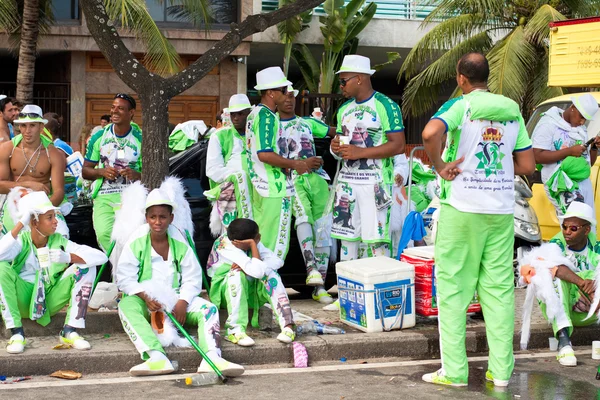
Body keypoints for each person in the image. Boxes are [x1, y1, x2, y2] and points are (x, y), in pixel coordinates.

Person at [420, 53, 535, 387]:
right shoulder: (511, 109)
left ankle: (454, 371)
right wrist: (498, 168)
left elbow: (429, 134)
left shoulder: (461, 106)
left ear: (461, 78)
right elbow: (526, 166)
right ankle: (500, 374)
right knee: (499, 293)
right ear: (489, 76)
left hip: (462, 208)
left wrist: (441, 165)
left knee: (454, 291)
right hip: (500, 212)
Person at [116, 189, 244, 377]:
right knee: (126, 306)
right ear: (146, 218)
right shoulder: (136, 240)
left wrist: (183, 301)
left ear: (171, 218)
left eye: (163, 217)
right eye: (153, 217)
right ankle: (156, 356)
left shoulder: (180, 240)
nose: (158, 222)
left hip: (176, 297)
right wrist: (145, 296)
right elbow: (125, 276)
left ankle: (212, 357)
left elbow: (192, 276)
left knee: (209, 310)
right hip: (147, 299)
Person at [0, 191, 107, 354]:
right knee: (1, 268)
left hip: (49, 298)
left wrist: (69, 257)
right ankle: (16, 333)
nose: (56, 222)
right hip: (23, 297)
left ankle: (70, 331)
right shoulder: (21, 240)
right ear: (35, 222)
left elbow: (101, 257)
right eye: (49, 217)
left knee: (86, 266)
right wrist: (21, 223)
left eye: (54, 216)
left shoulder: (60, 241)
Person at [329, 55, 405, 261]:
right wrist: (335, 147)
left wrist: (360, 152)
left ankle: (375, 291)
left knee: (377, 242)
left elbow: (398, 144)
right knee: (347, 241)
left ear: (360, 79)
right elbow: (342, 145)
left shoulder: (386, 105)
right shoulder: (344, 110)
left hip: (375, 183)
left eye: (344, 81)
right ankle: (346, 292)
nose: (341, 86)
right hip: (347, 183)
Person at [246, 66, 322, 260]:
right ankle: (269, 290)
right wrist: (294, 164)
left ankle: (262, 289)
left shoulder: (254, 114)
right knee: (274, 248)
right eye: (283, 90)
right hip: (274, 189)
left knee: (262, 243)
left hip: (259, 186)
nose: (287, 94)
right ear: (271, 93)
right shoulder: (267, 117)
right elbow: (265, 154)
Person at [276, 85, 336, 304]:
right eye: (285, 96)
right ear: (275, 97)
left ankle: (319, 286)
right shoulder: (271, 126)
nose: (289, 100)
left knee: (323, 226)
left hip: (319, 179)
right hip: (291, 181)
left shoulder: (308, 123)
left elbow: (334, 133)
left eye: (292, 96)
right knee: (303, 217)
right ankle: (311, 268)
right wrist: (299, 164)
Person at [207, 218, 295, 346]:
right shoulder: (225, 245)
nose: (260, 237)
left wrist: (251, 261)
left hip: (250, 290)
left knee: (271, 275)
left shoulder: (248, 241)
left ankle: (288, 325)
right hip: (225, 293)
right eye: (257, 237)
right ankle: (234, 330)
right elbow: (257, 271)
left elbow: (277, 261)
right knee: (236, 274)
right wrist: (253, 248)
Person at [537, 202, 599, 366]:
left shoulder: (595, 246)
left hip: (590, 310)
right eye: (564, 227)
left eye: (573, 228)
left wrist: (595, 289)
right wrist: (580, 283)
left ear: (586, 230)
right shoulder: (556, 244)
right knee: (552, 275)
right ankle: (564, 344)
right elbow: (552, 265)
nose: (566, 232)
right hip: (563, 309)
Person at [82, 93, 142, 255]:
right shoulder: (99, 137)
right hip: (104, 197)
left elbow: (150, 173)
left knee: (131, 238)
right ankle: (122, 266)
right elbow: (86, 171)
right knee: (103, 234)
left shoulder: (140, 139)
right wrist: (102, 172)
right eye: (113, 107)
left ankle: (126, 271)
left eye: (121, 108)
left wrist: (135, 174)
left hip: (131, 197)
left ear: (131, 113)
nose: (114, 112)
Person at [0, 105, 66, 234]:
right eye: (23, 126)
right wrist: (27, 185)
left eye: (32, 126)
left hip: (43, 203)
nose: (27, 131)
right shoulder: (7, 149)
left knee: (60, 235)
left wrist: (44, 210)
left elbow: (59, 192)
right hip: (15, 202)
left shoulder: (54, 153)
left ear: (41, 127)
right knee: (10, 245)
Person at [532, 93, 599, 217]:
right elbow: (536, 156)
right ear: (573, 107)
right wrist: (569, 152)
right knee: (574, 225)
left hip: (583, 184)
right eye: (581, 116)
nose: (582, 121)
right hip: (561, 185)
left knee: (587, 226)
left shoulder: (581, 129)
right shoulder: (549, 123)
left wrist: (594, 147)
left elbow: (587, 164)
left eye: (586, 119)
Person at [205, 94, 253, 236]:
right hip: (231, 193)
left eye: (241, 114)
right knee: (232, 239)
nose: (236, 118)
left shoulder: (257, 134)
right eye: (233, 114)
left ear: (249, 114)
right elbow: (213, 169)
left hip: (257, 193)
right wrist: (237, 177)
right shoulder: (219, 136)